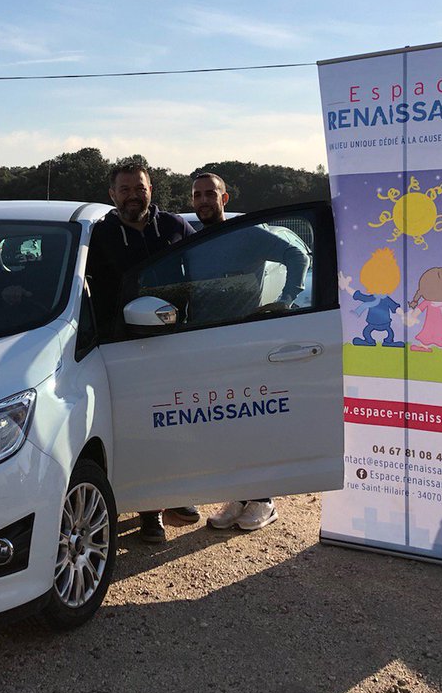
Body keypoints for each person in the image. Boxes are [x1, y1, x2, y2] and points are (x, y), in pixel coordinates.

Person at [84, 161, 197, 543]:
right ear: (112, 195)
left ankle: (179, 493)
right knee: (140, 428)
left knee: (180, 421)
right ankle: (151, 512)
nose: (134, 195)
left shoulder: (175, 228)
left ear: (152, 189)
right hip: (122, 346)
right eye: (126, 189)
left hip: (175, 342)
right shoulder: (97, 236)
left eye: (140, 187)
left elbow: (200, 275)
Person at [190, 172, 309, 532]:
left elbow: (298, 255)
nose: (204, 200)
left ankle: (264, 500)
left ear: (224, 199)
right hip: (200, 344)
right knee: (221, 426)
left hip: (242, 343)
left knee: (251, 422)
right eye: (197, 195)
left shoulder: (248, 233)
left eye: (211, 194)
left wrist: (286, 300)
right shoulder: (190, 240)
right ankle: (239, 496)